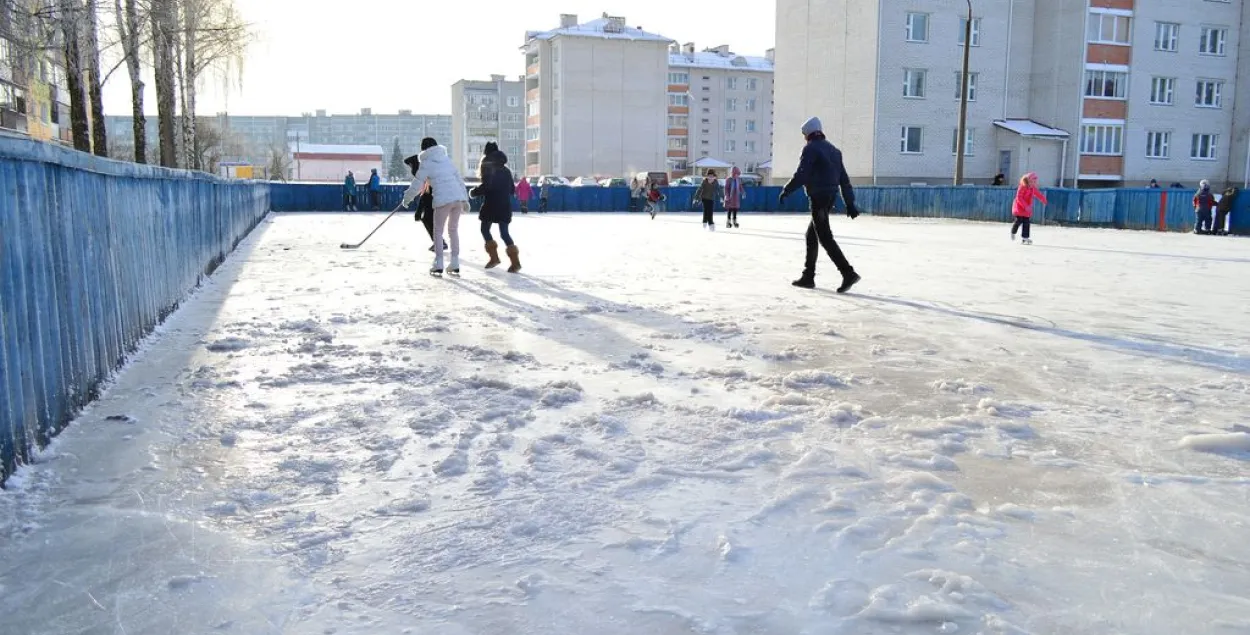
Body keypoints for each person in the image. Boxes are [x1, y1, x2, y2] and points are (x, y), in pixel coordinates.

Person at [779, 116, 861, 293]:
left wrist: (786, 190)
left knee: (825, 237)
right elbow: (844, 180)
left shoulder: (811, 149)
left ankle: (848, 273)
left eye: (804, 135)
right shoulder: (834, 151)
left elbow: (802, 174)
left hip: (818, 197)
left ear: (808, 133)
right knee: (812, 235)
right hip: (830, 197)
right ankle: (808, 276)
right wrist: (850, 203)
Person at [402, 138, 468, 276]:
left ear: (424, 149)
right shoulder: (447, 160)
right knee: (453, 230)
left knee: (437, 231)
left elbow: (417, 183)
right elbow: (459, 181)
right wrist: (465, 200)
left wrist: (407, 199)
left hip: (443, 200)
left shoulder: (426, 163)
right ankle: (455, 262)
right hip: (457, 198)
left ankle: (438, 263)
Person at [471, 144, 521, 272]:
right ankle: (515, 263)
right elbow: (512, 189)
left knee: (484, 229)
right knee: (504, 233)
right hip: (504, 205)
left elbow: (487, 186)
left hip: (491, 205)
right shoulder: (506, 169)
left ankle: (494, 258)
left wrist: (474, 192)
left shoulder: (488, 165)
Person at [403, 144, 449, 253]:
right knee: (429, 219)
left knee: (429, 219)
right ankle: (439, 242)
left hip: (437, 198)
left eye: (411, 166)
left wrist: (418, 210)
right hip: (436, 197)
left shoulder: (424, 172)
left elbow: (426, 194)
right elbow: (424, 194)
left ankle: (440, 243)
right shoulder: (426, 171)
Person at [1011, 172, 1047, 245]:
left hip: (1027, 209)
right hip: (1019, 207)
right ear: (1028, 181)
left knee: (1026, 223)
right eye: (1033, 181)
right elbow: (1019, 198)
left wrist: (1043, 199)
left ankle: (1025, 238)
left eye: (1035, 182)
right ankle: (1013, 232)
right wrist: (1025, 206)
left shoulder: (1032, 188)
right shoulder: (1022, 187)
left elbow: (1038, 194)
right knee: (1019, 220)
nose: (1034, 183)